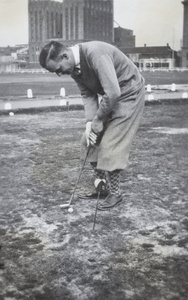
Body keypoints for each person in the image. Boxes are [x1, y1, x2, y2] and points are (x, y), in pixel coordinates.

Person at [39, 40, 145, 210]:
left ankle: (115, 194)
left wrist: (98, 120)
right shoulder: (74, 68)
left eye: (59, 70)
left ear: (65, 56)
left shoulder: (95, 53)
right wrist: (90, 123)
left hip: (130, 94)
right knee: (88, 141)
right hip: (112, 97)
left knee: (110, 145)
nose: (61, 74)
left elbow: (113, 92)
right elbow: (88, 95)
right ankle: (101, 187)